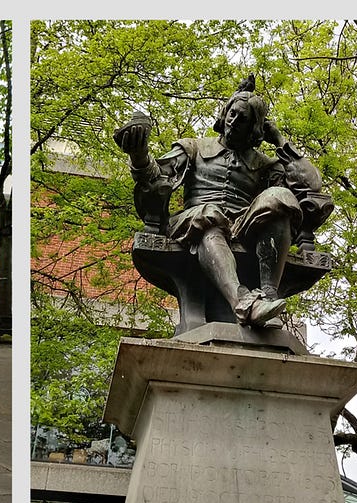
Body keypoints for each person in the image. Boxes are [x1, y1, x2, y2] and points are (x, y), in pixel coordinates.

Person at [116, 76, 331, 328]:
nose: (234, 122)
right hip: (192, 221)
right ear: (224, 113)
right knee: (210, 216)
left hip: (242, 225)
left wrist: (280, 141)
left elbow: (311, 186)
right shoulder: (193, 148)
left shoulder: (264, 164)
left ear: (255, 127)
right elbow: (157, 178)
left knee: (282, 197)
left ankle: (268, 294)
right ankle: (243, 301)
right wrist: (139, 155)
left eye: (243, 119)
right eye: (232, 114)